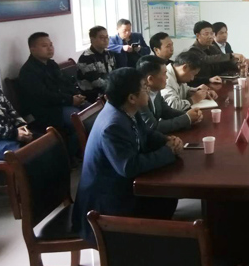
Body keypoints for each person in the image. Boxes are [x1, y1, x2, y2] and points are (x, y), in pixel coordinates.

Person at [72, 68, 183, 244]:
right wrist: (167, 152)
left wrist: (167, 140)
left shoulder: (126, 109)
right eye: (145, 87)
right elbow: (129, 166)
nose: (148, 90)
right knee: (164, 199)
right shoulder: (113, 125)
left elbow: (147, 133)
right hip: (105, 206)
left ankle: (157, 241)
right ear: (132, 97)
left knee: (167, 197)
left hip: (120, 188)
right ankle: (146, 249)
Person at [18, 32, 84, 157]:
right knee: (79, 119)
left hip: (62, 103)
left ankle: (83, 150)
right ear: (32, 49)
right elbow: (44, 96)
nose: (50, 48)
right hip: (47, 111)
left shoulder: (51, 64)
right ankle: (69, 157)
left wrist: (75, 95)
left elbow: (65, 83)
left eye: (51, 45)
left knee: (92, 110)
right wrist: (70, 100)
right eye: (44, 46)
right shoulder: (28, 72)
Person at [136, 56, 203, 134]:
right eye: (164, 74)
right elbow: (154, 127)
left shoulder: (155, 90)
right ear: (150, 79)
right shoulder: (139, 98)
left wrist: (191, 115)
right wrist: (187, 118)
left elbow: (167, 111)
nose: (167, 77)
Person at [0, 80, 33, 160]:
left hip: (9, 133)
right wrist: (14, 134)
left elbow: (9, 108)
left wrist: (22, 126)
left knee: (45, 144)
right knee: (25, 154)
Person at [77, 26, 116, 103]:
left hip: (108, 90)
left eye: (107, 37)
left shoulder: (109, 53)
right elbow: (97, 83)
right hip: (92, 95)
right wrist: (115, 87)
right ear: (92, 39)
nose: (105, 40)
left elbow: (114, 73)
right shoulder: (86, 58)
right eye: (102, 37)